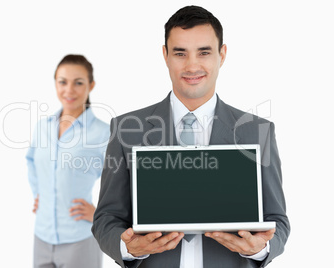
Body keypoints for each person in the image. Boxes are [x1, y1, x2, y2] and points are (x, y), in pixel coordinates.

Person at [92, 5, 290, 268]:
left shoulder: (256, 130)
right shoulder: (127, 128)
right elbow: (107, 217)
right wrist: (127, 247)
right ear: (165, 55)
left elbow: (277, 219)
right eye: (180, 53)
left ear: (222, 55)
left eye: (204, 52)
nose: (192, 65)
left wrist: (260, 248)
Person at [26, 54, 109, 267]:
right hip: (42, 236)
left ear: (91, 85)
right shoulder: (43, 127)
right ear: (55, 83)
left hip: (79, 239)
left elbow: (121, 181)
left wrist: (100, 214)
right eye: (62, 82)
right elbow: (32, 161)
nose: (69, 90)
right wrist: (38, 192)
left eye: (78, 83)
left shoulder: (101, 133)